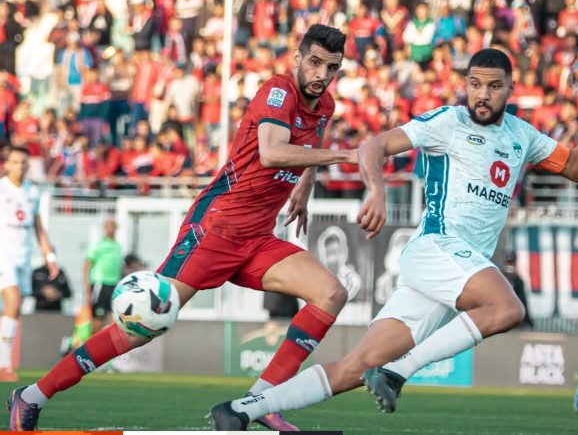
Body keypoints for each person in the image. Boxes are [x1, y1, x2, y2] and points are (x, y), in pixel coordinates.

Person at [208, 48, 578, 430]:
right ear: (466, 84)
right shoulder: (448, 121)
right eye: (475, 84)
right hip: (438, 248)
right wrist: (377, 191)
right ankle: (398, 372)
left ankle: (240, 409)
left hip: (454, 270)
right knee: (507, 307)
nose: (482, 94)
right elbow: (374, 146)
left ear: (511, 89)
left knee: (357, 366)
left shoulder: (523, 135)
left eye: (494, 86)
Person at [8, 24, 356, 431]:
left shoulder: (324, 105)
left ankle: (260, 402)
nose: (321, 74)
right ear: (297, 58)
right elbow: (273, 152)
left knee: (330, 293)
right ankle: (33, 395)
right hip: (215, 229)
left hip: (258, 238)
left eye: (331, 67)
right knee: (142, 327)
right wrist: (346, 155)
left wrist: (305, 188)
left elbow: (311, 144)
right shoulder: (277, 91)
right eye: (314, 62)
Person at [0, 146, 58, 382]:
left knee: (12, 310)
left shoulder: (32, 191)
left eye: (23, 162)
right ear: (6, 165)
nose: (20, 166)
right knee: (13, 301)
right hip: (3, 255)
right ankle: (4, 366)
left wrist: (49, 257)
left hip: (23, 257)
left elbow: (38, 227)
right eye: (15, 162)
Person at [83, 218, 123, 334]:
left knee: (115, 319)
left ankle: (111, 345)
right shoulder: (97, 245)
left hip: (114, 285)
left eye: (113, 226)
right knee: (97, 318)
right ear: (104, 228)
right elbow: (86, 267)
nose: (111, 229)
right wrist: (87, 290)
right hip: (99, 284)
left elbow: (120, 267)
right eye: (108, 226)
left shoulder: (117, 246)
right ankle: (93, 344)